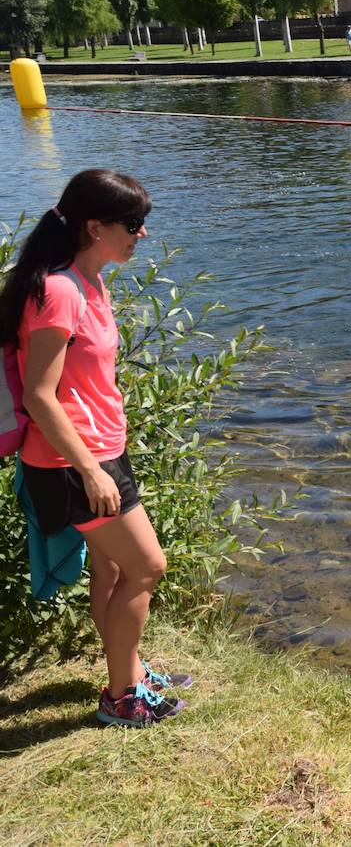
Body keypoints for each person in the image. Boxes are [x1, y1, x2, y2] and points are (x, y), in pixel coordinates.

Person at [0, 170, 191, 727]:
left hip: (99, 450)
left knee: (110, 570)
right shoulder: (59, 290)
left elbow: (85, 378)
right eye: (133, 224)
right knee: (147, 567)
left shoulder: (92, 281)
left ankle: (126, 668)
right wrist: (91, 470)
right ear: (94, 226)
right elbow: (38, 393)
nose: (142, 235)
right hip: (71, 462)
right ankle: (122, 696)